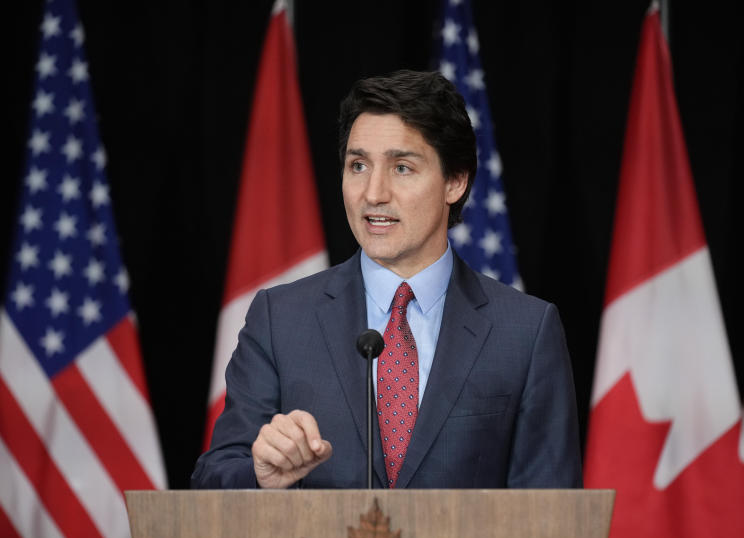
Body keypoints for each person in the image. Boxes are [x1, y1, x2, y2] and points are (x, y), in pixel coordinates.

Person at [191, 70, 581, 490]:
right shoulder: (279, 319)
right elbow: (213, 479)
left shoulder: (526, 332)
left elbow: (553, 519)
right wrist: (260, 476)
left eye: (401, 168)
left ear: (455, 181)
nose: (373, 193)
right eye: (358, 165)